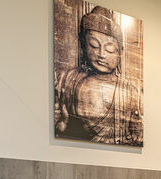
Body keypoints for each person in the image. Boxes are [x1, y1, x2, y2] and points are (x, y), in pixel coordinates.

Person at [55, 6, 143, 145]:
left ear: (120, 52)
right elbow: (60, 127)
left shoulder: (130, 90)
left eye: (109, 49)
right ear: (83, 45)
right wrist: (62, 122)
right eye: (94, 45)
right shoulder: (68, 80)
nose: (101, 54)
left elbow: (138, 134)